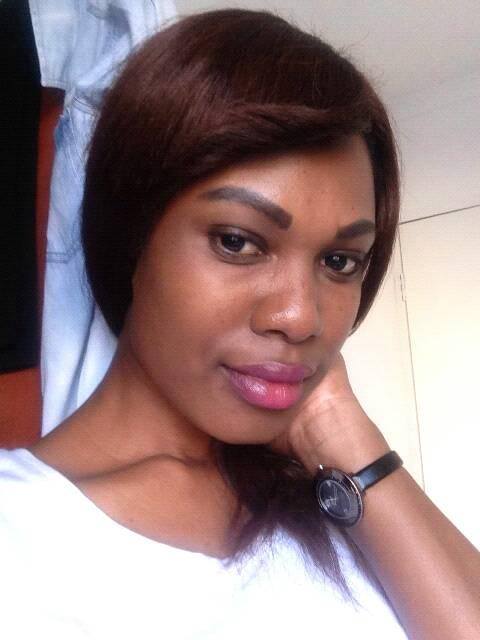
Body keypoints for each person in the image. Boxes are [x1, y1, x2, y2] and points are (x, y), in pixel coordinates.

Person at [1, 9, 479, 639]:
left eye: (340, 262)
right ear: (131, 234)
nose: (300, 317)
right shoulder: (17, 529)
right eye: (238, 242)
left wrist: (341, 432)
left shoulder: (345, 504)